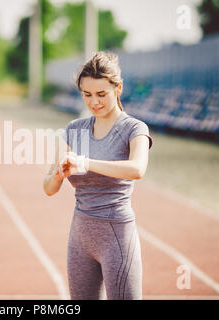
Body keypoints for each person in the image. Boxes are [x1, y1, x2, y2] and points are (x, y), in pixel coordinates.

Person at [43, 51, 153, 300]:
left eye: (102, 94)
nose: (94, 102)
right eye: (87, 95)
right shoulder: (73, 129)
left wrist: (85, 162)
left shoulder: (134, 128)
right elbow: (48, 188)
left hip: (117, 238)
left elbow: (137, 169)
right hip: (80, 237)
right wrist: (59, 174)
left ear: (118, 88)